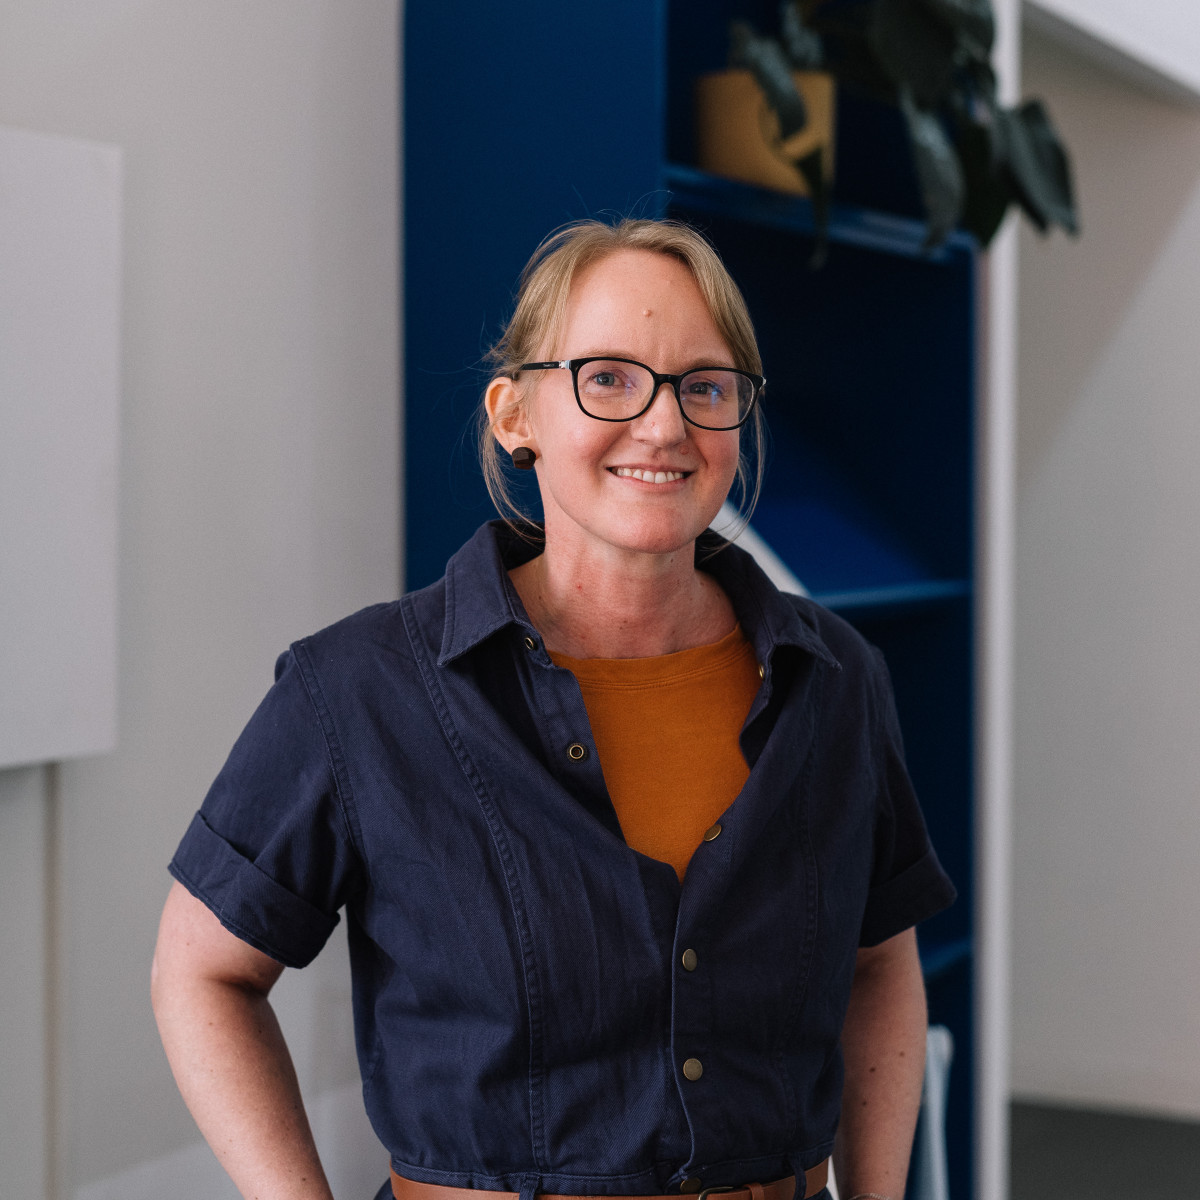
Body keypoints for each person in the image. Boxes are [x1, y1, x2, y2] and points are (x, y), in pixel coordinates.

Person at [151, 217, 955, 1200]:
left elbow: (880, 963)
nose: (664, 426)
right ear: (513, 415)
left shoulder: (838, 679)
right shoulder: (358, 690)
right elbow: (201, 973)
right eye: (607, 378)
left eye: (705, 388)